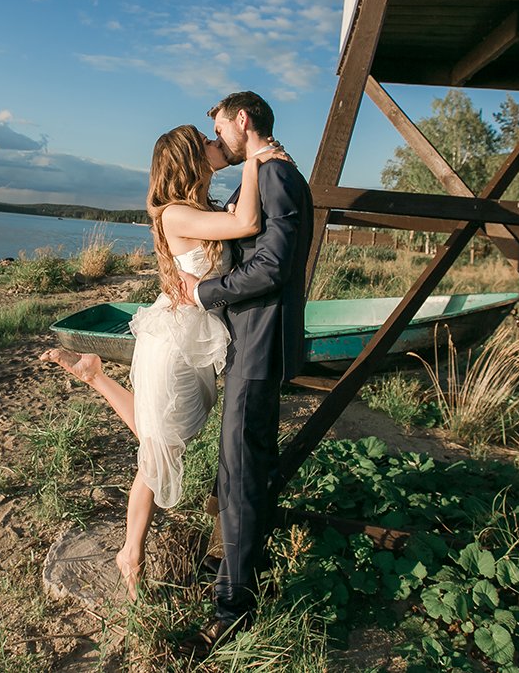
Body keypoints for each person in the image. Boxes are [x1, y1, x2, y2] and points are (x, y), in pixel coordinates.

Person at [39, 123, 290, 600]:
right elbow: (247, 226)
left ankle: (94, 375)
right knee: (156, 451)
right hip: (173, 347)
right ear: (192, 161)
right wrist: (256, 162)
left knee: (159, 438)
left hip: (189, 339)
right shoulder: (175, 213)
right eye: (210, 145)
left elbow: (235, 224)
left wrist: (247, 178)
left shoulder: (198, 208)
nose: (220, 148)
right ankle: (129, 554)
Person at [178, 91, 313, 650]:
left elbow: (272, 265)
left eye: (220, 130)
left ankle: (234, 607)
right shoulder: (265, 171)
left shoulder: (276, 175)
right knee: (240, 467)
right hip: (250, 343)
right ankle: (232, 576)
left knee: (242, 474)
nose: (220, 141)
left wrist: (206, 291)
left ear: (241, 120)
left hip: (259, 347)